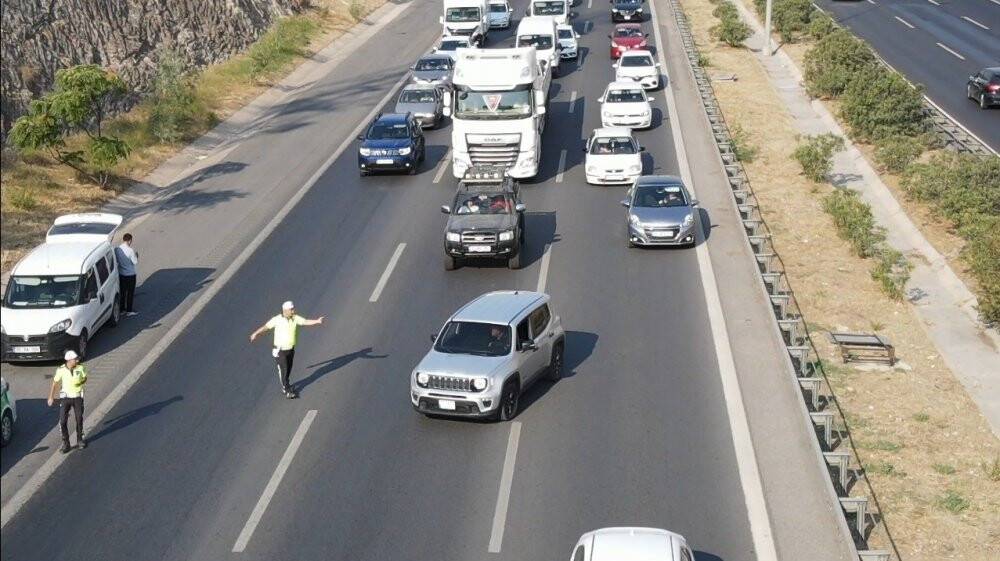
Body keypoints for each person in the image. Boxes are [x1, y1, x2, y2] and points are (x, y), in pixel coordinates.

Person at [249, 301, 324, 398]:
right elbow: (266, 327)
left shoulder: (295, 318)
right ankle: (286, 390)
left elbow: (305, 322)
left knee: (288, 368)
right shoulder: (277, 319)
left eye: (293, 309)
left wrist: (317, 321)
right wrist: (256, 333)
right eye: (291, 309)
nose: (293, 311)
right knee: (284, 368)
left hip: (290, 349)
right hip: (280, 350)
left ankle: (286, 384)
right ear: (285, 310)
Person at [47, 350, 88, 453]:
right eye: (75, 359)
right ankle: (66, 443)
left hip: (77, 397)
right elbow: (55, 383)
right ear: (69, 360)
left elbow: (85, 378)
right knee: (63, 421)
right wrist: (51, 397)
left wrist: (80, 383)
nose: (77, 360)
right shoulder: (61, 370)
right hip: (66, 398)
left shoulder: (80, 367)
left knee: (79, 418)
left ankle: (80, 439)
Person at [115, 233, 139, 316]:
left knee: (123, 292)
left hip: (121, 274)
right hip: (130, 275)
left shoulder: (117, 249)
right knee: (130, 293)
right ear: (130, 240)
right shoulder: (130, 250)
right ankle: (129, 310)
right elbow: (135, 262)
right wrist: (136, 256)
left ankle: (122, 310)